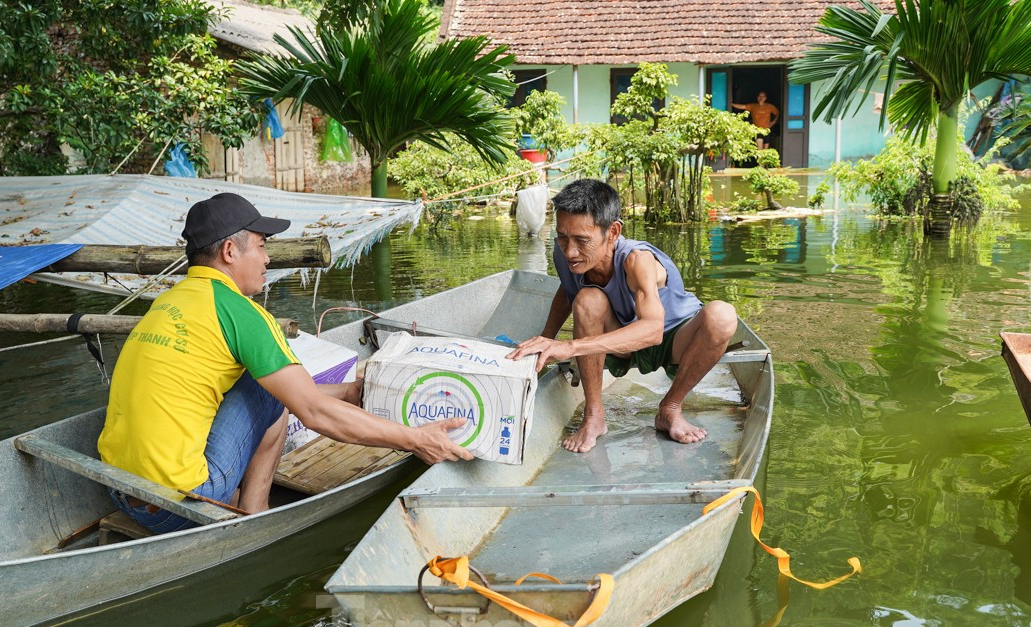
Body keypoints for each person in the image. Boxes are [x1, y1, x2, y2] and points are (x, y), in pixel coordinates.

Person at [98, 192, 472, 534]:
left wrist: (346, 391)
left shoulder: (167, 302)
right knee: (273, 394)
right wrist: (416, 438)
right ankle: (255, 514)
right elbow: (311, 412)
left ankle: (243, 502)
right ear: (230, 251)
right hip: (181, 505)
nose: (267, 258)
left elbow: (294, 395)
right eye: (261, 247)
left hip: (118, 489)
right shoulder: (241, 313)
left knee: (266, 384)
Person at [506, 179, 737, 452]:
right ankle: (594, 416)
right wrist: (545, 339)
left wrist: (569, 346)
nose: (570, 251)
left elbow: (651, 331)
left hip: (672, 338)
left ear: (613, 232)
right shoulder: (565, 253)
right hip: (620, 341)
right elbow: (567, 292)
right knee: (587, 299)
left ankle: (671, 407)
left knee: (722, 315)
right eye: (562, 237)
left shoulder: (637, 261)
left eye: (582, 240)